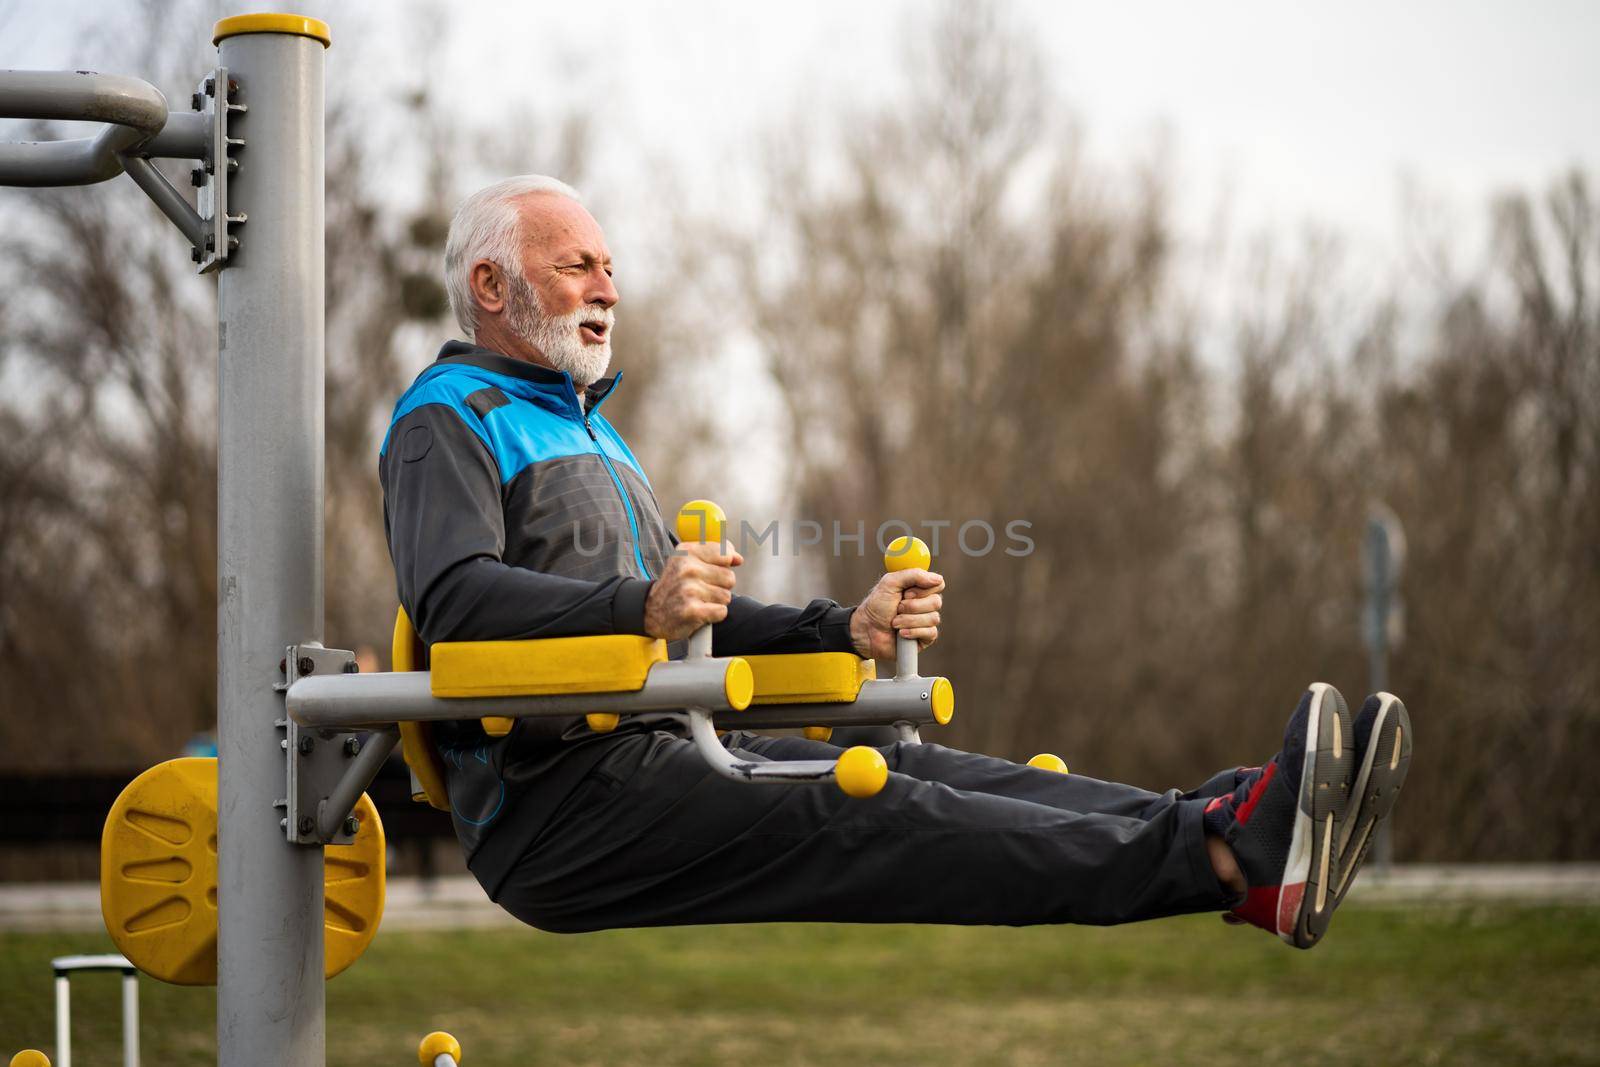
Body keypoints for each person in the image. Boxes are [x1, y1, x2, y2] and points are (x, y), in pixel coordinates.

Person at [379, 175, 1413, 946]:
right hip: (557, 803)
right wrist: (639, 600)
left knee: (921, 766)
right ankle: (1228, 857)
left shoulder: (595, 434)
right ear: (491, 282)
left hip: (659, 748)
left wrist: (843, 627)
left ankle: (1232, 821)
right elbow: (454, 600)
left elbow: (682, 625)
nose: (609, 286)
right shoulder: (445, 421)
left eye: (611, 267)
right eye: (580, 266)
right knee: (876, 808)